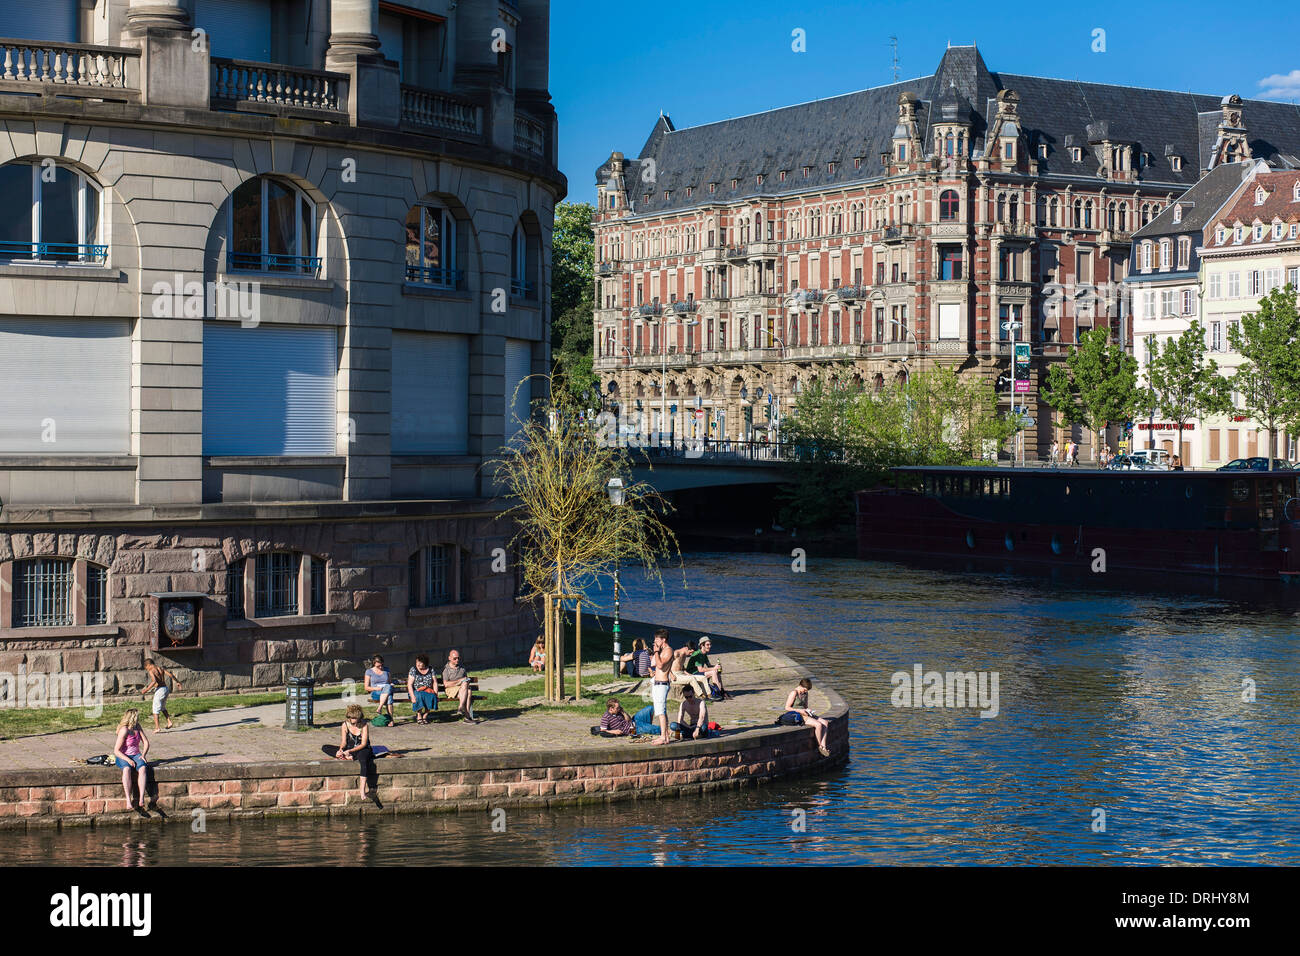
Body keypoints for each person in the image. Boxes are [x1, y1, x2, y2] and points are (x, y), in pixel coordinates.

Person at [333, 704, 381, 806]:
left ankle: (362, 789)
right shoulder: (345, 725)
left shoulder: (364, 725)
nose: (351, 720)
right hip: (350, 749)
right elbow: (344, 742)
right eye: (350, 717)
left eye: (354, 718)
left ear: (359, 717)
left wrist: (350, 751)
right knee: (326, 748)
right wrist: (341, 749)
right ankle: (345, 756)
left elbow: (363, 744)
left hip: (363, 748)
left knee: (363, 760)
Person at [113, 709, 151, 817]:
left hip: (136, 755)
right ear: (133, 717)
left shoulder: (138, 727)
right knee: (127, 769)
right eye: (137, 717)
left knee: (143, 769)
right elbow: (116, 750)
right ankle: (128, 800)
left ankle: (141, 798)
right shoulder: (124, 730)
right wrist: (128, 760)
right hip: (123, 755)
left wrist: (143, 755)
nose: (139, 719)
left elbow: (146, 742)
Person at [785, 677, 831, 757]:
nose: (805, 692)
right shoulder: (794, 693)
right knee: (818, 725)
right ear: (801, 686)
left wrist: (808, 711)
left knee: (825, 722)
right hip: (797, 714)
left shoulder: (805, 694)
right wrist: (800, 711)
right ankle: (819, 746)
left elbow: (805, 706)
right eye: (805, 690)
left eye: (807, 690)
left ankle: (824, 747)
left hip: (805, 713)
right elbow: (787, 708)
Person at [140, 659, 182, 732]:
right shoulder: (161, 668)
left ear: (148, 665)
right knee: (162, 707)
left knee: (155, 709)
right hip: (165, 689)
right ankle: (169, 722)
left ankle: (157, 727)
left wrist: (146, 690)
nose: (147, 670)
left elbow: (154, 681)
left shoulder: (151, 670)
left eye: (146, 668)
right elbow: (170, 675)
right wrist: (177, 682)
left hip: (160, 690)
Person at [648, 628, 674, 745]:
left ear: (663, 639)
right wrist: (655, 651)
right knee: (660, 711)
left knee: (660, 712)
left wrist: (657, 652)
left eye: (657, 639)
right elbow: (653, 663)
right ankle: (666, 736)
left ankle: (663, 737)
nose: (655, 641)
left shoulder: (668, 650)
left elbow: (660, 665)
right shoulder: (662, 650)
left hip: (662, 684)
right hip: (657, 683)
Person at [443, 649, 477, 722]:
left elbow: (466, 680)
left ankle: (462, 709)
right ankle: (467, 716)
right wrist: (459, 681)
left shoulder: (462, 668)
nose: (457, 660)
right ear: (449, 658)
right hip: (451, 689)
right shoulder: (446, 670)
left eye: (458, 658)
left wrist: (465, 680)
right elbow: (446, 684)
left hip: (462, 690)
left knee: (468, 691)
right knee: (467, 691)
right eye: (454, 658)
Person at [406, 654, 439, 724]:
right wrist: (412, 696)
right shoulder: (413, 669)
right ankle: (419, 715)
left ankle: (425, 715)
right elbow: (409, 684)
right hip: (415, 691)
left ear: (425, 663)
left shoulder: (430, 669)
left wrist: (436, 694)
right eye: (417, 662)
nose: (418, 664)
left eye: (420, 662)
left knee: (432, 696)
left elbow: (435, 682)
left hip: (427, 690)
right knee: (419, 696)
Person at [364, 655, 395, 724]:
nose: (380, 667)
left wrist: (391, 684)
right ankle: (391, 720)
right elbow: (366, 687)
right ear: (374, 663)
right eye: (378, 666)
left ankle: (380, 707)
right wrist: (376, 688)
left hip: (386, 690)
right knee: (389, 696)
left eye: (381, 665)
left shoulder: (386, 670)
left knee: (388, 689)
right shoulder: (369, 671)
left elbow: (389, 682)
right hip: (376, 692)